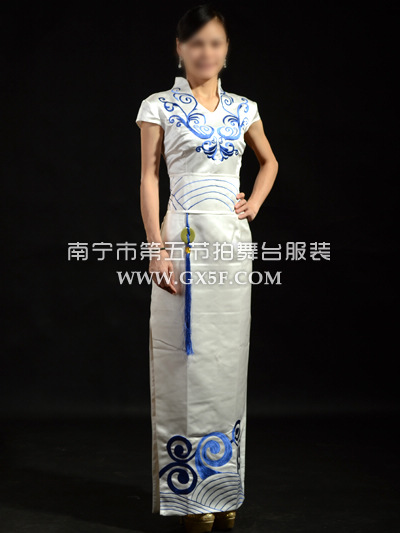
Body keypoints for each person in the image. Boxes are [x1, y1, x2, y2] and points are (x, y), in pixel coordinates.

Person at [136, 4, 278, 532]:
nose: (206, 52)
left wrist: (253, 203)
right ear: (180, 48)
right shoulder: (159, 106)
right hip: (182, 241)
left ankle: (224, 491)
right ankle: (193, 498)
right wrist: (156, 247)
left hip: (231, 246)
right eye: (196, 43)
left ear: (226, 49)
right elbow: (149, 177)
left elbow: (269, 161)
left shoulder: (244, 108)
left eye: (215, 42)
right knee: (184, 359)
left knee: (226, 361)